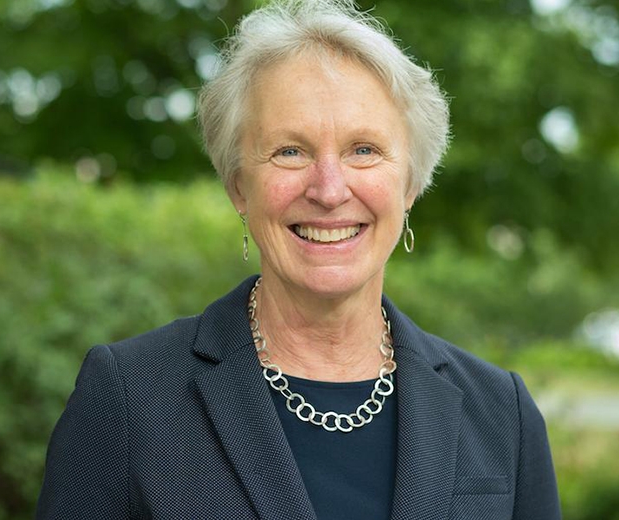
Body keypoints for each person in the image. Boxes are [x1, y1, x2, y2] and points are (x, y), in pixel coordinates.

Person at [36, 0, 561, 518]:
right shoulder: (129, 398)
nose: (330, 190)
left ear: (411, 184)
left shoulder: (501, 414)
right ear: (239, 186)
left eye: (364, 150)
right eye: (291, 151)